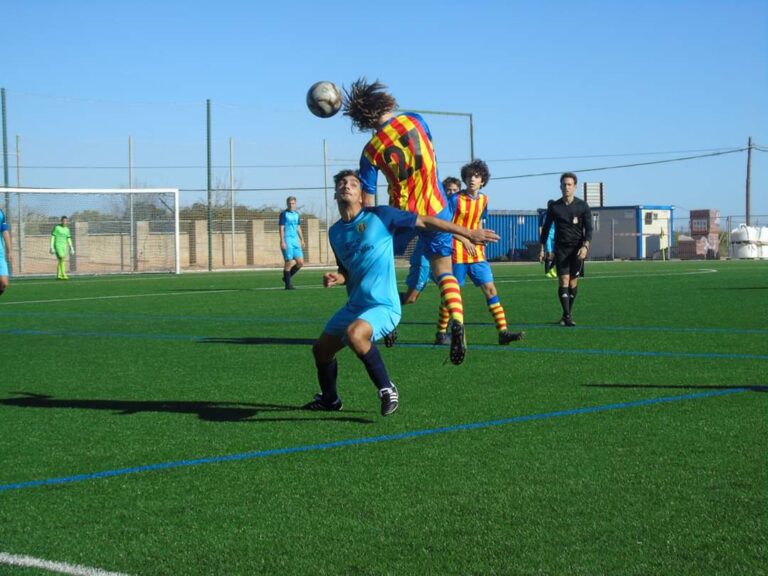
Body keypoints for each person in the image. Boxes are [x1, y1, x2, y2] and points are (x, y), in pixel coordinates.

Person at [305, 170, 498, 415]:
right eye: (342, 183)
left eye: (353, 183)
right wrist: (338, 277)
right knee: (321, 350)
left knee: (356, 335)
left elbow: (426, 221)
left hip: (384, 305)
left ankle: (387, 388)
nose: (347, 186)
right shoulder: (335, 232)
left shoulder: (382, 216)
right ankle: (330, 400)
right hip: (355, 305)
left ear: (362, 195)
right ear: (335, 193)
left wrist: (466, 232)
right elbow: (346, 269)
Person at [343, 78, 470, 364]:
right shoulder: (416, 120)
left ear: (363, 117)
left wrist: (369, 228)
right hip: (437, 209)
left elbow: (368, 200)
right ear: (383, 101)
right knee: (444, 271)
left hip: (403, 215)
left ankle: (385, 323)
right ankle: (458, 322)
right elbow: (431, 154)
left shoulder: (370, 150)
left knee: (380, 268)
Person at [433, 160, 525, 345]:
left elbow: (480, 223)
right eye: (469, 176)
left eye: (476, 176)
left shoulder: (484, 200)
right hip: (457, 251)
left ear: (483, 180)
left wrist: (483, 238)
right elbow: (446, 225)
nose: (472, 179)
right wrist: (465, 239)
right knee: (452, 293)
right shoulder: (455, 199)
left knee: (490, 289)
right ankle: (441, 333)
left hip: (477, 254)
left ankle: (503, 332)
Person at [539, 172, 593, 327]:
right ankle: (568, 316)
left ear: (575, 187)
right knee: (563, 280)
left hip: (577, 250)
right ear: (560, 187)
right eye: (564, 184)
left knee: (573, 283)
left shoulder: (582, 206)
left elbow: (589, 229)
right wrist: (542, 248)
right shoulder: (555, 207)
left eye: (569, 184)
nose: (566, 187)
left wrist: (585, 246)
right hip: (561, 249)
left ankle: (566, 314)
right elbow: (546, 228)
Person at [278, 196, 305, 290]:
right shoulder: (284, 214)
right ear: (287, 204)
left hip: (295, 241)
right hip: (287, 240)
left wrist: (302, 240)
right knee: (289, 262)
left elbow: (298, 227)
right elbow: (281, 228)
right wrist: (282, 241)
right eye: (289, 203)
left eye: (293, 203)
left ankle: (286, 278)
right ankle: (288, 285)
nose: (291, 205)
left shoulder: (297, 214)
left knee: (300, 263)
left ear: (295, 204)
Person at [50, 216, 75, 280]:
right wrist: (51, 247)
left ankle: (59, 275)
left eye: (66, 221)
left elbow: (68, 238)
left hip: (64, 246)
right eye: (63, 221)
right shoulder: (57, 227)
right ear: (61, 221)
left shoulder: (67, 229)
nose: (64, 222)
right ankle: (64, 274)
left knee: (61, 260)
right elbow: (53, 237)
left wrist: (71, 247)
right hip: (58, 245)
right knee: (61, 257)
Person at [542, 201, 557, 278]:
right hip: (548, 236)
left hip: (555, 236)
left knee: (557, 253)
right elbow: (544, 226)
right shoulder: (546, 215)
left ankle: (551, 268)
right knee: (548, 253)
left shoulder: (556, 214)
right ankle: (547, 271)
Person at [0, 207, 12, 295]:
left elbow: (5, 231)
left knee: (4, 282)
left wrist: (9, 251)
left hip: (0, 253)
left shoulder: (1, 213)